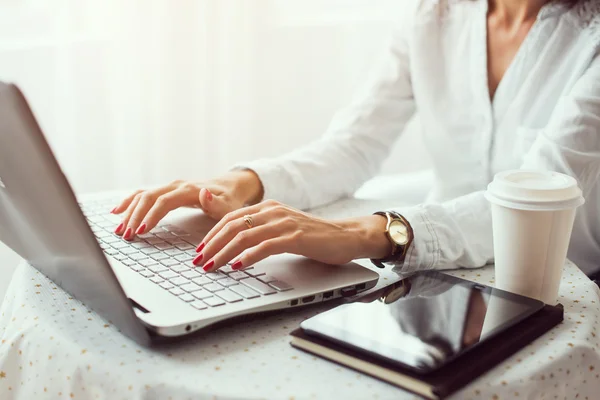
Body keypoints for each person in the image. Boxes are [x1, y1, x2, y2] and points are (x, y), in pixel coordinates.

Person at [111, 0, 600, 276]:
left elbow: (532, 204)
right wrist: (244, 184)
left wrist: (370, 232)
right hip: (435, 277)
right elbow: (354, 144)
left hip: (557, 284)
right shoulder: (434, 15)